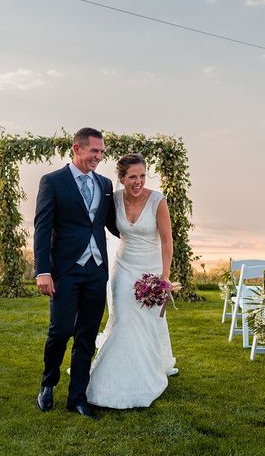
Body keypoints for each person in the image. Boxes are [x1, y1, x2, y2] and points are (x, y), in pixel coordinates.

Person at [34, 127, 118, 420]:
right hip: (65, 271)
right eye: (94, 151)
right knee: (60, 331)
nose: (99, 156)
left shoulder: (105, 184)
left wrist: (144, 236)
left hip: (96, 271)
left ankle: (78, 397)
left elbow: (111, 225)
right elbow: (42, 228)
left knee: (87, 335)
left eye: (102, 152)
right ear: (77, 149)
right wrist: (43, 271)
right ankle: (48, 384)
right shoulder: (53, 182)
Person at [86, 153, 177, 409]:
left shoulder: (158, 201)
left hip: (151, 270)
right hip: (123, 268)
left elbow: (168, 242)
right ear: (122, 178)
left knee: (146, 324)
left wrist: (164, 278)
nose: (138, 181)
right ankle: (109, 380)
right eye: (132, 176)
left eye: (142, 176)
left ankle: (145, 373)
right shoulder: (113, 200)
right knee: (123, 320)